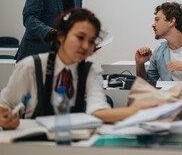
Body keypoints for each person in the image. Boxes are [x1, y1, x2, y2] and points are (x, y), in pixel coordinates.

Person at [0, 8, 146, 130]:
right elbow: (4, 103)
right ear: (61, 36)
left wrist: (140, 110)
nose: (85, 47)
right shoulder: (31, 67)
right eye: (80, 37)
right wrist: (4, 118)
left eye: (91, 41)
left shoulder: (90, 72)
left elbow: (98, 110)